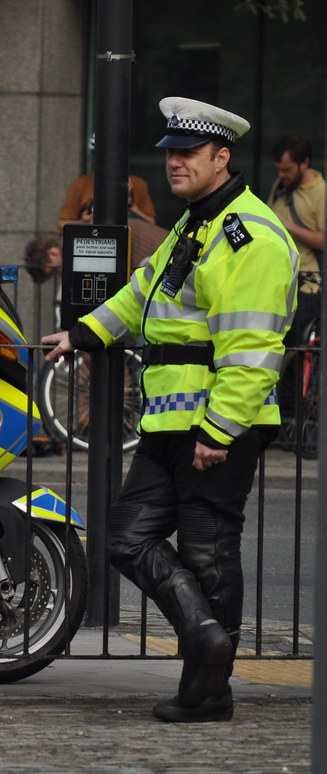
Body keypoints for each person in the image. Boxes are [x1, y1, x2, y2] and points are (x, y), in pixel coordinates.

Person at [42, 97, 297, 723]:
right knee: (126, 537)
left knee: (210, 553)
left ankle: (208, 691)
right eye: (171, 153)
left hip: (214, 422)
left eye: (188, 153)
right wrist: (84, 333)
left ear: (222, 156)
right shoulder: (195, 224)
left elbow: (254, 347)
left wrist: (220, 429)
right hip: (169, 419)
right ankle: (206, 639)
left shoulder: (250, 236)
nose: (174, 162)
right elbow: (139, 294)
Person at [267, 133, 324, 343]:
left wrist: (287, 226)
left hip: (306, 285)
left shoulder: (321, 192)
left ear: (304, 163)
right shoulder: (281, 186)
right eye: (279, 170)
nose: (281, 175)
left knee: (299, 350)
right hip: (277, 280)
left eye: (287, 170)